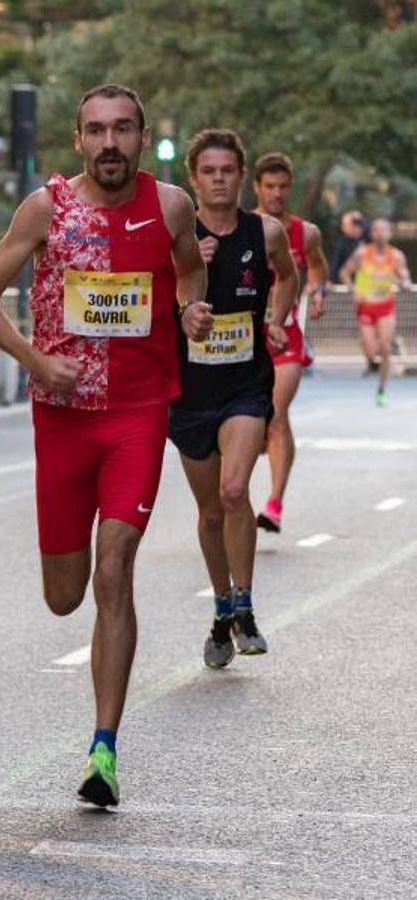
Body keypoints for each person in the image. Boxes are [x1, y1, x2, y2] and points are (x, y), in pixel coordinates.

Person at [0, 84, 209, 808]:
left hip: (138, 413)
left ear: (143, 136)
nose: (111, 144)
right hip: (62, 416)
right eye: (97, 132)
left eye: (124, 130)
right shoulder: (46, 207)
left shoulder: (171, 203)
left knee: (115, 570)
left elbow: (191, 266)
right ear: (78, 139)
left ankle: (103, 747)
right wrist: (34, 362)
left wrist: (192, 307)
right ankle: (101, 733)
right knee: (63, 594)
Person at [172, 129, 297, 669]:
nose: (219, 179)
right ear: (194, 179)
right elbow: (157, 305)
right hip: (191, 391)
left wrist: (275, 319)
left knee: (233, 488)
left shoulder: (264, 232)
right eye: (209, 171)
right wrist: (188, 266)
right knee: (209, 511)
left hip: (246, 383)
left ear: (241, 176)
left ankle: (244, 606)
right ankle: (221, 608)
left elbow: (288, 276)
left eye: (228, 170)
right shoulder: (175, 236)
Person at [250, 152, 329, 533]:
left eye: (282, 187)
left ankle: (274, 504)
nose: (276, 194)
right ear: (257, 188)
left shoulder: (304, 232)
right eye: (269, 187)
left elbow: (316, 265)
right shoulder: (244, 227)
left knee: (275, 416)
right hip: (245, 336)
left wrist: (317, 293)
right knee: (254, 422)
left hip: (287, 336)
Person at [340, 217, 413, 406]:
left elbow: (404, 275)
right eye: (377, 230)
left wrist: (405, 282)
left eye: (384, 230)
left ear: (390, 233)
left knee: (386, 350)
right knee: (372, 352)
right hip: (365, 306)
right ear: (372, 233)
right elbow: (344, 272)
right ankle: (368, 345)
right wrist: (352, 288)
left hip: (386, 306)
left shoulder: (396, 256)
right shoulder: (362, 253)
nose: (380, 233)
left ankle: (381, 390)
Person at [331, 210, 364, 283]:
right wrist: (331, 280)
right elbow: (336, 264)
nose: (356, 227)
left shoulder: (365, 240)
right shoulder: (342, 243)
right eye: (354, 224)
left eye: (358, 224)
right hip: (346, 283)